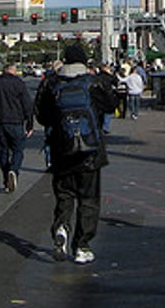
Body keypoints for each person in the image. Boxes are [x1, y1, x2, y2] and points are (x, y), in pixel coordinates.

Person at [34, 43, 118, 265]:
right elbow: (111, 106)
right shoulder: (92, 82)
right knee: (89, 199)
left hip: (62, 149)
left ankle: (61, 227)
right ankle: (82, 245)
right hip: (90, 150)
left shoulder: (52, 84)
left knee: (64, 195)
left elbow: (41, 116)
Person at [0, 61, 34, 193]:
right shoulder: (19, 84)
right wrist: (29, 123)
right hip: (16, 121)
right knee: (18, 149)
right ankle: (14, 169)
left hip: (1, 122)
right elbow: (27, 104)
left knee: (3, 150)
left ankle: (6, 177)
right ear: (14, 70)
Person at [96, 63, 119, 134]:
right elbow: (116, 82)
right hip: (108, 96)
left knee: (100, 112)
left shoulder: (96, 76)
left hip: (98, 97)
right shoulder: (108, 76)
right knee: (108, 112)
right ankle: (105, 127)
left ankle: (100, 127)